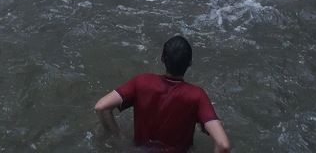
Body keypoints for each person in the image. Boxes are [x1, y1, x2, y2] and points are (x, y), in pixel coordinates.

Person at [94, 35, 232, 153]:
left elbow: (101, 107)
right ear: (189, 63)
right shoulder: (197, 96)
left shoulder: (141, 82)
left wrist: (118, 137)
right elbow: (223, 144)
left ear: (162, 59)